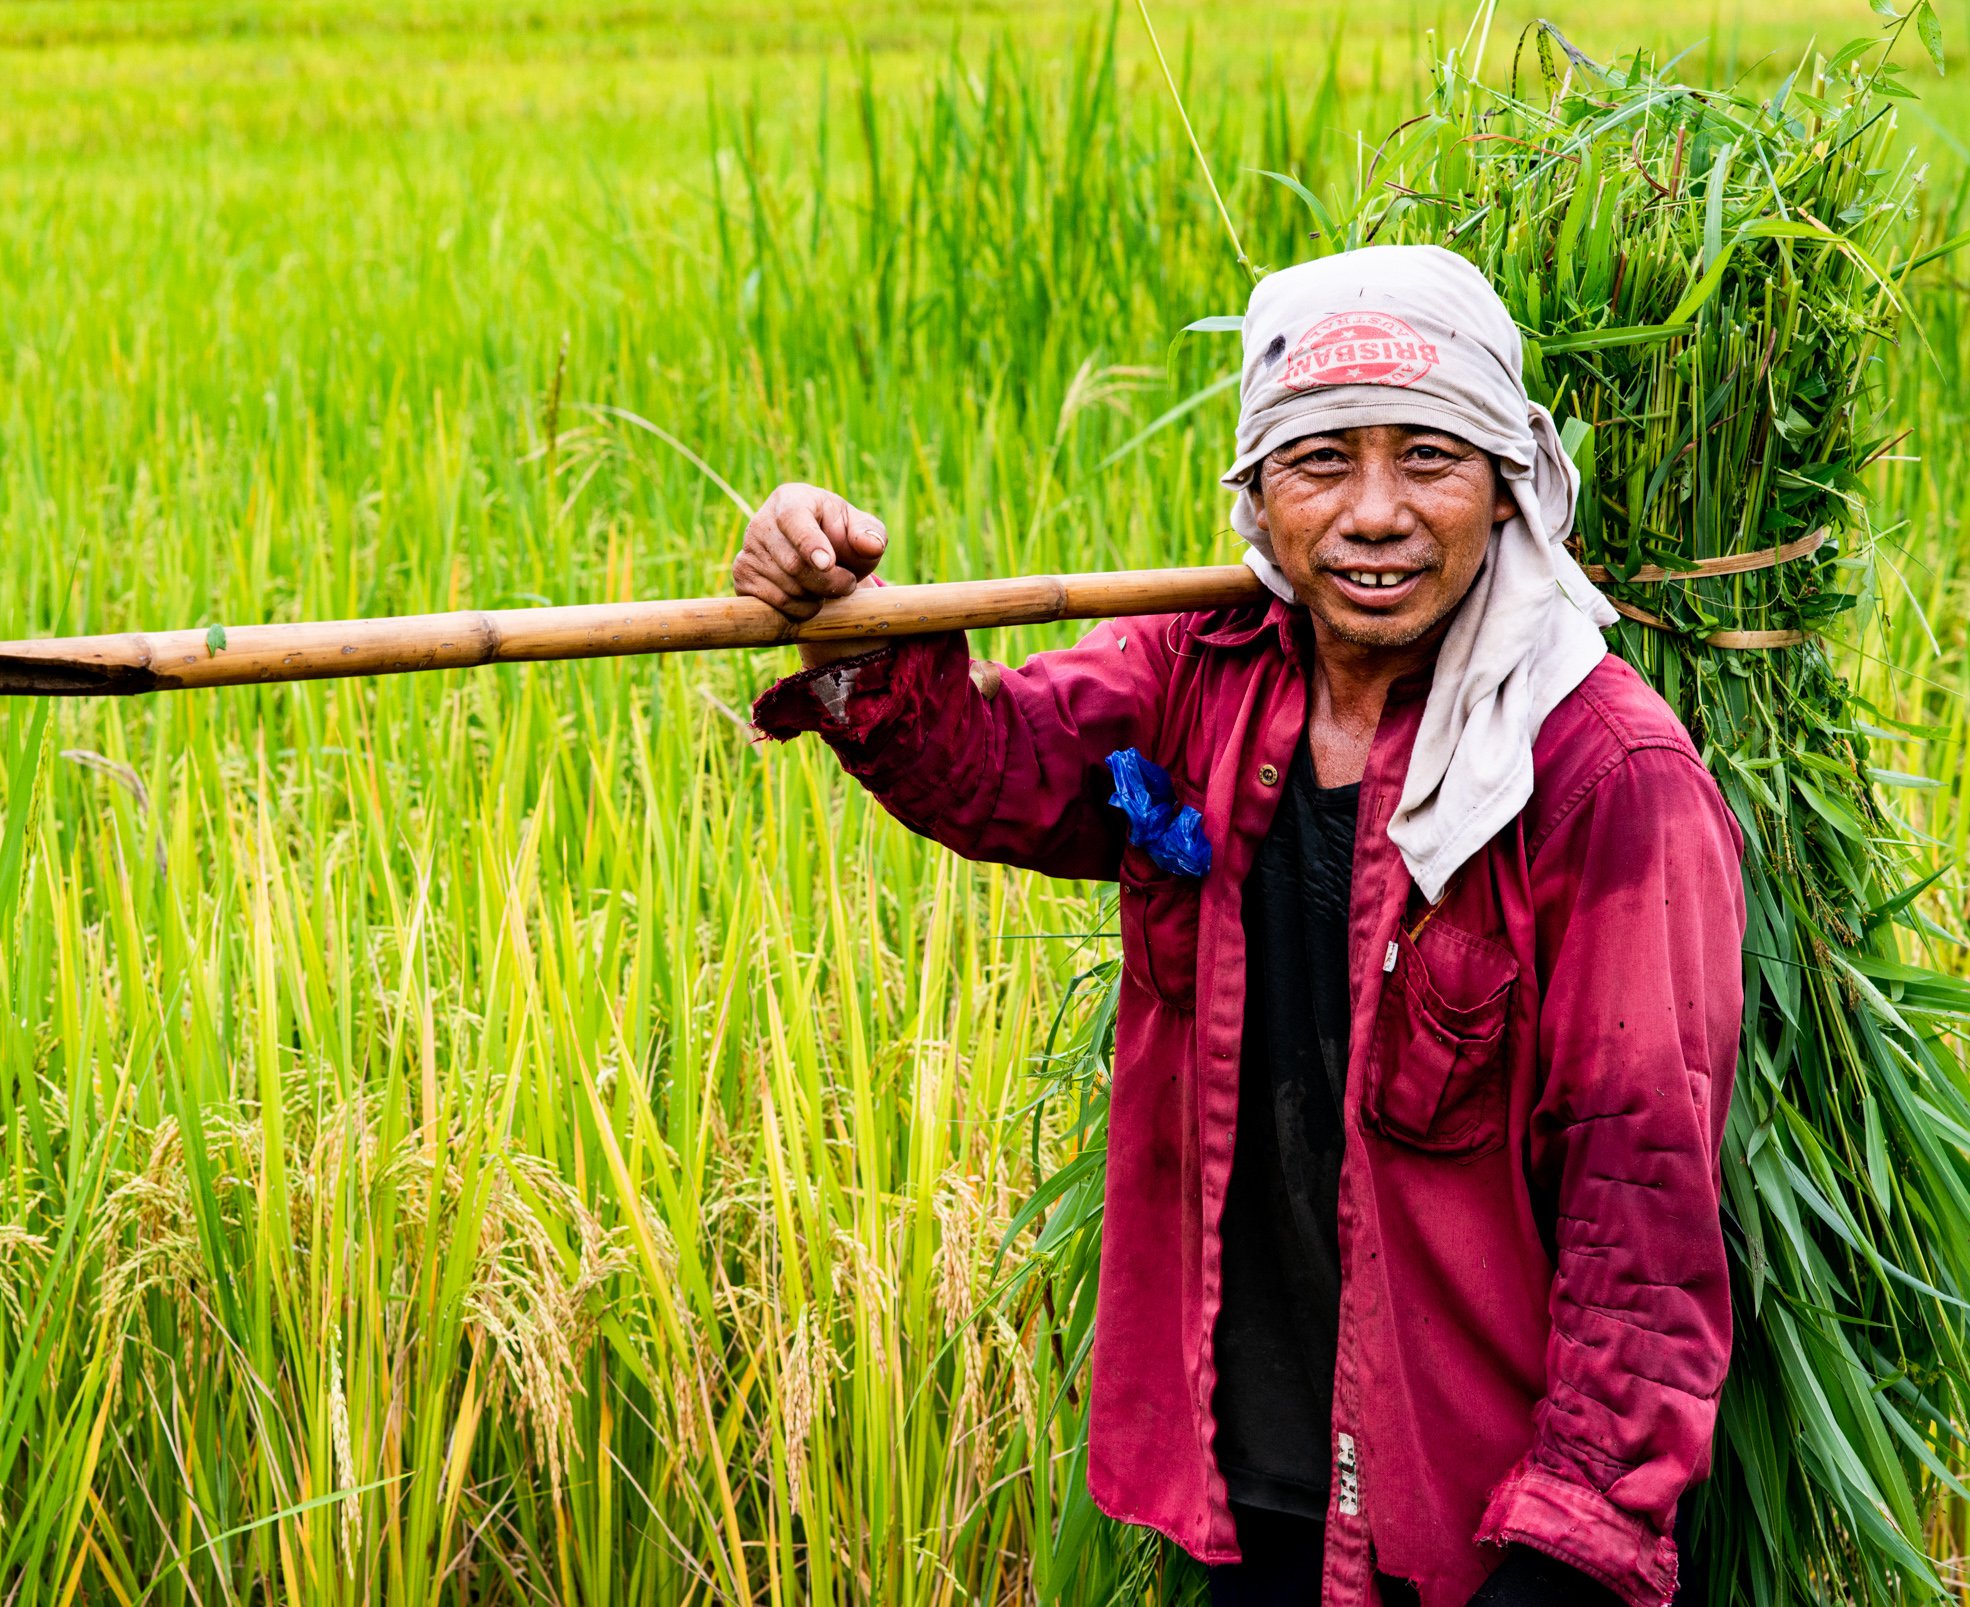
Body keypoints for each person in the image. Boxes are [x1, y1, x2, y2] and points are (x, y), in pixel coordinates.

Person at [732, 245, 1743, 1607]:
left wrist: (1564, 1552)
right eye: (1323, 462)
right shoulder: (1200, 678)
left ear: (1508, 485)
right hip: (1249, 1467)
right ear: (1259, 499)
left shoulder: (1601, 774)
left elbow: (1643, 1209)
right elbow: (997, 766)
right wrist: (841, 617)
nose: (1376, 514)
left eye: (1430, 460)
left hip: (1470, 1522)